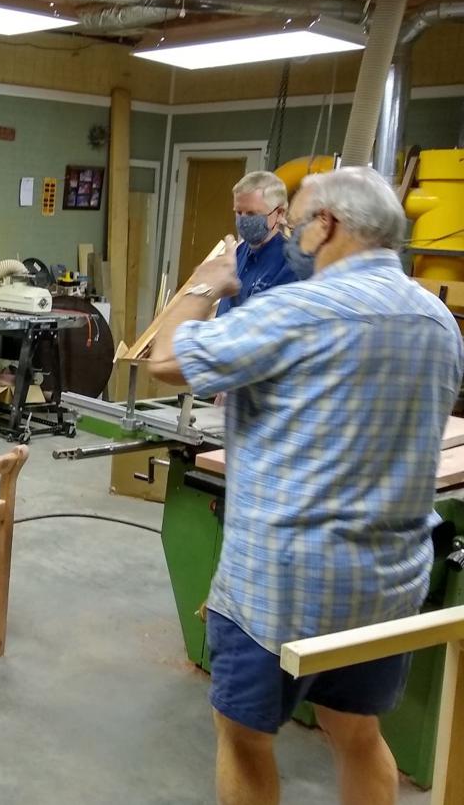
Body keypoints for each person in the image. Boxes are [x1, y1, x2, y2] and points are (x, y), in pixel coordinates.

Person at [147, 167, 464, 805]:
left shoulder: (297, 310)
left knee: (242, 737)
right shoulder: (439, 319)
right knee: (357, 731)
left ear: (328, 226)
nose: (289, 233)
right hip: (386, 580)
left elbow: (162, 361)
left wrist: (208, 283)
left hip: (281, 587)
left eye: (298, 220)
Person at [216, 170, 297, 317]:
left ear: (279, 213)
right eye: (238, 212)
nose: (243, 220)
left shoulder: (290, 265)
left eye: (252, 214)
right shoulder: (238, 253)